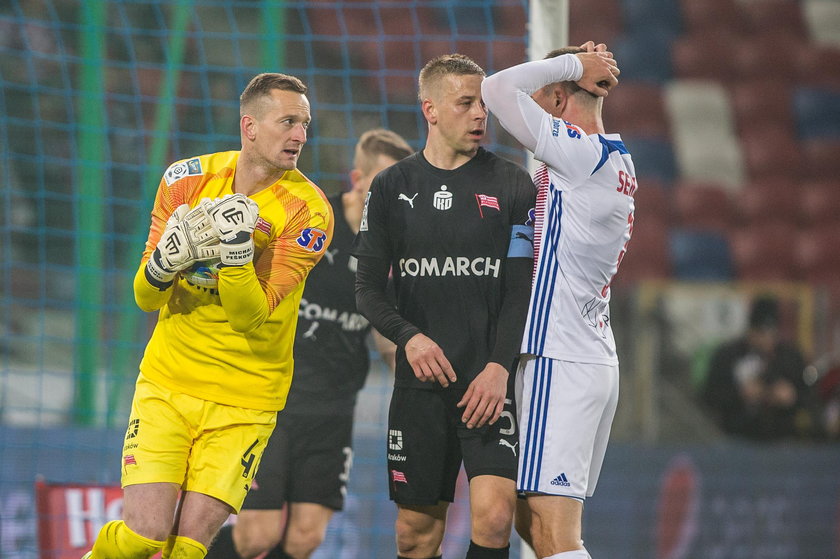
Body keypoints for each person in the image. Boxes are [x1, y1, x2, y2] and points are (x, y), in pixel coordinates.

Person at [81, 72, 333, 559]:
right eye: (287, 121)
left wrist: (236, 255)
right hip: (168, 385)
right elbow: (144, 298)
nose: (300, 134)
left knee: (188, 549)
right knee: (143, 535)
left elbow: (250, 317)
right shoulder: (185, 179)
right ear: (250, 126)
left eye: (305, 123)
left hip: (246, 401)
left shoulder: (310, 213)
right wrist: (160, 267)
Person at [352, 54, 537, 559]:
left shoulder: (513, 183)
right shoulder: (391, 188)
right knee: (415, 536)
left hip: (487, 384)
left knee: (496, 518)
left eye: (484, 104)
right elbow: (367, 289)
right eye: (466, 103)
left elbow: (520, 288)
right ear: (430, 109)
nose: (481, 114)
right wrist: (408, 336)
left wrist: (500, 366)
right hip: (420, 389)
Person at [205, 128, 412, 559]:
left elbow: (386, 331)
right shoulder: (313, 220)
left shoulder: (391, 251)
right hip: (273, 400)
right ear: (357, 179)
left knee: (305, 539)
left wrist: (406, 374)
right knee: (256, 535)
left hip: (334, 409)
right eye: (383, 185)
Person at [481, 43, 625, 559]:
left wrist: (572, 65)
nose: (531, 109)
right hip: (583, 354)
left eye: (540, 97)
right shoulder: (609, 158)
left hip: (559, 357)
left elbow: (495, 88)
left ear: (561, 99)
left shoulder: (580, 154)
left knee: (556, 534)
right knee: (533, 523)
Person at [702, 294, 812, 441]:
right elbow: (709, 395)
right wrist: (740, 394)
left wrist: (792, 397)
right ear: (751, 330)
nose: (766, 339)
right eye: (761, 333)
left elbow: (811, 396)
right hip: (736, 437)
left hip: (784, 437)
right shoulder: (728, 355)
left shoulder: (791, 356)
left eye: (771, 333)